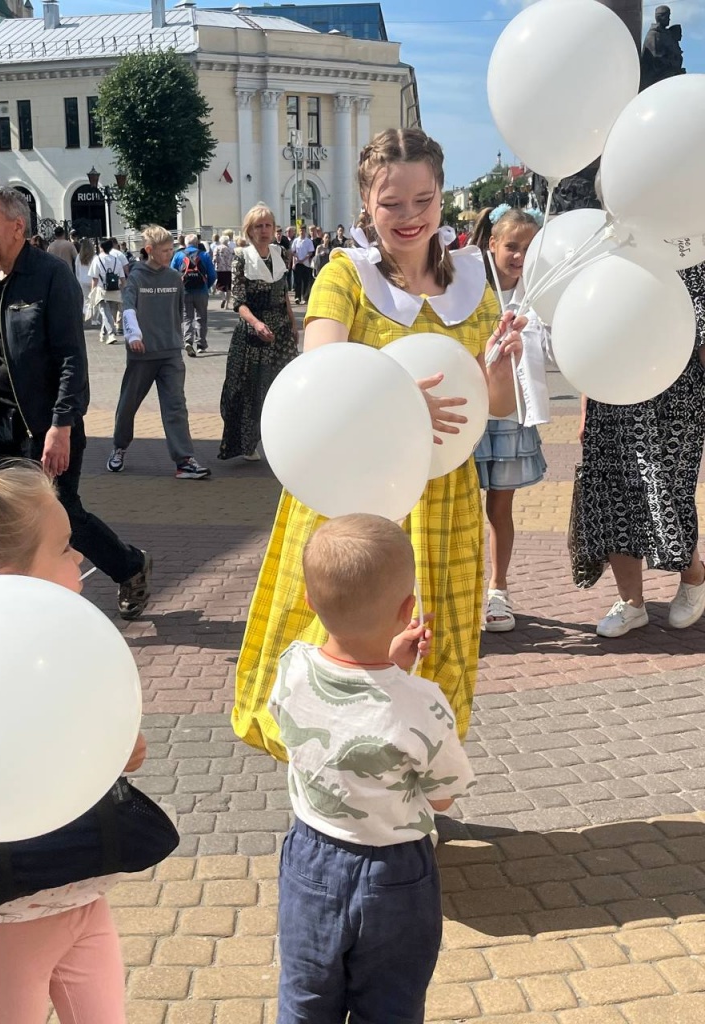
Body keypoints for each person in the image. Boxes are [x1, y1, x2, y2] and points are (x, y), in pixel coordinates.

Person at [232, 129, 523, 759]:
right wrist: (394, 402)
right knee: (345, 648)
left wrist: (501, 370)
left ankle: (417, 777)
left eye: (424, 200)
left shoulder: (473, 281)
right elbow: (322, 371)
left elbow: (494, 405)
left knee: (436, 643)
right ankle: (336, 780)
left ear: (441, 195)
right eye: (392, 203)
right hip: (357, 496)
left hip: (444, 497)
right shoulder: (346, 276)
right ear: (367, 203)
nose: (410, 216)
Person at [0, 444, 152, 1024]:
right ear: (11, 582)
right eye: (63, 548)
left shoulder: (60, 654)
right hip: (5, 918)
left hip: (85, 893)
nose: (79, 555)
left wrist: (117, 753)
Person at [270, 513, 475, 1023]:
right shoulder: (423, 703)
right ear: (407, 608)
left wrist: (389, 666)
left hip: (310, 858)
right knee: (389, 1006)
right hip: (396, 871)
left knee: (305, 998)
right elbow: (443, 796)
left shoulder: (292, 668)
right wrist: (397, 676)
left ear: (310, 600)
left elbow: (340, 711)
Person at [0, 184, 152, 621]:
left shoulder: (51, 275)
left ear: (17, 226)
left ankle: (130, 565)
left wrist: (61, 425)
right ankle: (20, 607)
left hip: (45, 424)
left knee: (61, 515)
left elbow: (71, 358)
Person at [575, 261, 705, 638]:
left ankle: (694, 576)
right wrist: (585, 404)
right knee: (612, 493)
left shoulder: (689, 258)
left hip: (675, 398)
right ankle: (631, 602)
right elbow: (586, 333)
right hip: (612, 392)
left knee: (669, 494)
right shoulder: (610, 259)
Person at [470, 205, 550, 633]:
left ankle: (498, 588)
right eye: (512, 246)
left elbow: (553, 348)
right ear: (493, 244)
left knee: (500, 506)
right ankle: (462, 585)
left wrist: (527, 338)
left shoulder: (538, 293)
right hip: (469, 409)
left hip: (512, 413)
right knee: (462, 503)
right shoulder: (467, 288)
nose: (520, 256)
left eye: (529, 248)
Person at [107, 225, 211, 480]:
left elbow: (180, 311)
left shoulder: (175, 278)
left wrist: (178, 337)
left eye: (171, 249)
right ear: (150, 250)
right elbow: (128, 307)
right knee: (128, 404)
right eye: (164, 251)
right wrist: (134, 335)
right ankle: (119, 447)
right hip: (142, 353)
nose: (169, 254)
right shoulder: (136, 277)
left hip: (170, 352)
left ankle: (184, 461)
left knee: (176, 406)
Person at [218, 205, 299, 463]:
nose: (264, 230)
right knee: (251, 389)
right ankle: (247, 442)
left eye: (268, 225)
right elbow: (239, 302)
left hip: (281, 331)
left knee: (284, 384)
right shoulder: (241, 258)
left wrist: (292, 322)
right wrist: (256, 324)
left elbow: (283, 293)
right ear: (249, 230)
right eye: (258, 226)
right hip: (254, 333)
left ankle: (284, 439)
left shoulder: (280, 253)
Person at [171, 233, 216, 356]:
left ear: (185, 244)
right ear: (197, 243)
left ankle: (188, 341)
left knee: (187, 317)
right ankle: (201, 344)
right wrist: (206, 286)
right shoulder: (204, 255)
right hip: (201, 291)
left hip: (185, 291)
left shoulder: (178, 255)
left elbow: (172, 273)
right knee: (201, 317)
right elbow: (213, 275)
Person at [88, 239, 123, 344]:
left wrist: (92, 291)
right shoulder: (116, 260)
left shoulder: (97, 259)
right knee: (109, 314)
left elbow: (94, 278)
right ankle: (103, 334)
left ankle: (111, 334)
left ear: (101, 247)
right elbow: (122, 278)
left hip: (102, 290)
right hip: (115, 290)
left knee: (104, 312)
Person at [290, 224, 315, 305]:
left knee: (305, 281)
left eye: (303, 230)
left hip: (306, 264)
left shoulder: (308, 241)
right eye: (300, 230)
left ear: (305, 231)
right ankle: (297, 297)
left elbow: (310, 252)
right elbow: (292, 251)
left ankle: (304, 297)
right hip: (298, 263)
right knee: (297, 281)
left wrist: (303, 259)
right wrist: (295, 260)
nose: (302, 232)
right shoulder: (296, 241)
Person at [75, 238, 96, 324]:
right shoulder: (94, 257)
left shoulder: (79, 257)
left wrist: (78, 279)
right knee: (93, 299)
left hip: (82, 280)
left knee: (85, 299)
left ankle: (86, 314)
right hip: (92, 280)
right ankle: (93, 319)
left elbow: (77, 270)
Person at [211, 232, 234, 309]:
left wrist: (214, 264)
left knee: (220, 285)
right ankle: (227, 305)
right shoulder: (231, 249)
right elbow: (233, 259)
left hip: (220, 269)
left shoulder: (217, 248)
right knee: (229, 287)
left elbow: (214, 259)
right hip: (229, 269)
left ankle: (223, 298)